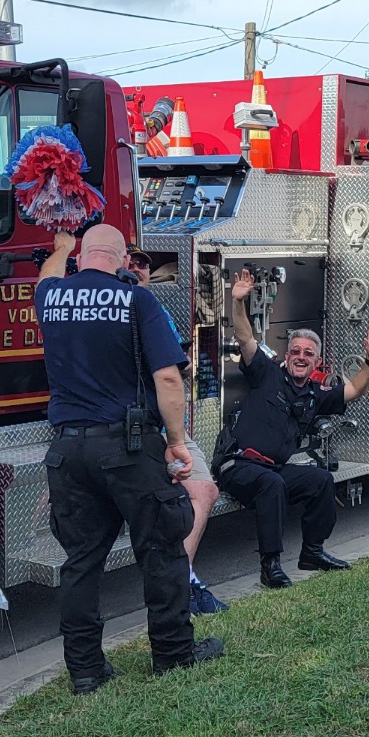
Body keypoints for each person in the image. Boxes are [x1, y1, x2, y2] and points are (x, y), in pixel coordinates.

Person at [36, 224, 224, 694]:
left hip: (67, 448)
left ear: (83, 256)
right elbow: (167, 378)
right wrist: (177, 440)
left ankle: (85, 670)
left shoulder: (52, 297)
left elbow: (46, 279)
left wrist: (61, 250)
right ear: (121, 258)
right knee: (161, 548)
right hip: (126, 446)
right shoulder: (136, 299)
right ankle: (174, 654)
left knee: (80, 560)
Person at [218, 268, 369, 588]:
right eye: (295, 351)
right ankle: (271, 566)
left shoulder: (314, 394)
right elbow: (244, 337)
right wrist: (237, 302)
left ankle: (313, 552)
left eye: (308, 354)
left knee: (320, 480)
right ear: (286, 355)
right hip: (238, 465)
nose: (300, 357)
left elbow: (354, 390)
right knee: (272, 485)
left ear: (316, 362)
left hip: (273, 469)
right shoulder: (265, 372)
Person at [126, 245, 225, 615]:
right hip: (148, 433)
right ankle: (180, 587)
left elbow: (176, 368)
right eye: (130, 261)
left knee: (203, 490)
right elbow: (168, 373)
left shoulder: (155, 309)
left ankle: (182, 581)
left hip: (161, 429)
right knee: (198, 491)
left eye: (144, 264)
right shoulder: (130, 308)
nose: (138, 268)